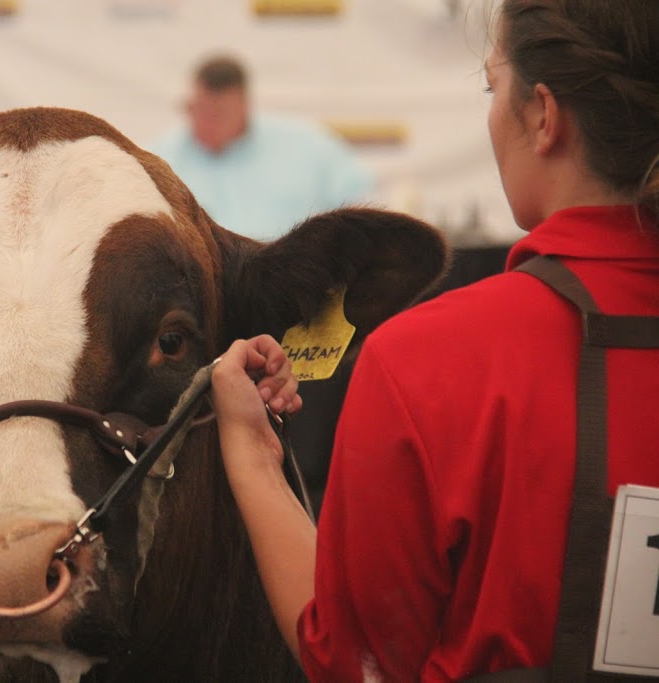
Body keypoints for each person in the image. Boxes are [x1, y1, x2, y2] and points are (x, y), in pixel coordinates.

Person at [210, 1, 659, 680]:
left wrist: (249, 451)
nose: (491, 111)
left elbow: (353, 662)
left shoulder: (426, 361)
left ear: (543, 116)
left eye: (492, 85)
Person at [150, 54, 374, 241]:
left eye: (220, 114)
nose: (207, 123)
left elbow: (362, 207)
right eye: (199, 110)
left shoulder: (307, 147)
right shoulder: (160, 161)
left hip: (293, 282)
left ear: (245, 105)